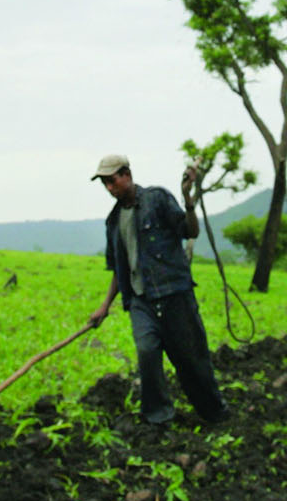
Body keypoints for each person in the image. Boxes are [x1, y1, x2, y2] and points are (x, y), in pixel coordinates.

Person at [87, 153, 228, 427]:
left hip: (174, 294)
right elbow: (119, 269)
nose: (109, 188)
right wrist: (104, 306)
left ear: (126, 174)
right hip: (141, 301)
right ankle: (159, 417)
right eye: (104, 183)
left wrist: (188, 200)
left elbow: (190, 231)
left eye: (112, 181)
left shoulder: (158, 199)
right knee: (147, 352)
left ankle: (214, 413)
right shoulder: (113, 221)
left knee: (191, 358)